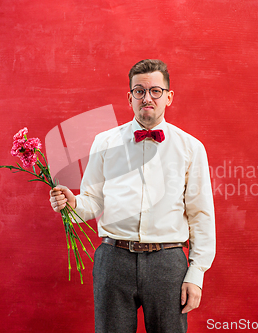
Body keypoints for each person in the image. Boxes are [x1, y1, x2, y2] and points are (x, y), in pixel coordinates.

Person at [49, 59, 215, 333]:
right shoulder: (104, 142)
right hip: (113, 260)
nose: (147, 97)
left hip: (168, 261)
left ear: (169, 97)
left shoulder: (191, 148)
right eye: (139, 91)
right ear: (129, 97)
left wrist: (196, 274)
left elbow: (201, 214)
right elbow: (92, 201)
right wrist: (71, 203)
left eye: (155, 91)